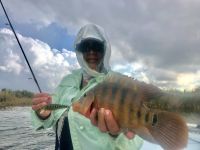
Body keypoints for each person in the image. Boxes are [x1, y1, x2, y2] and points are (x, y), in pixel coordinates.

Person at [31, 24, 143, 150]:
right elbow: (49, 118)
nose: (91, 52)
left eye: (96, 46)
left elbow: (135, 139)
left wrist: (115, 134)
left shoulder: (119, 83)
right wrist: (43, 114)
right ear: (80, 51)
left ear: (105, 49)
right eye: (85, 47)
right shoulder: (67, 81)